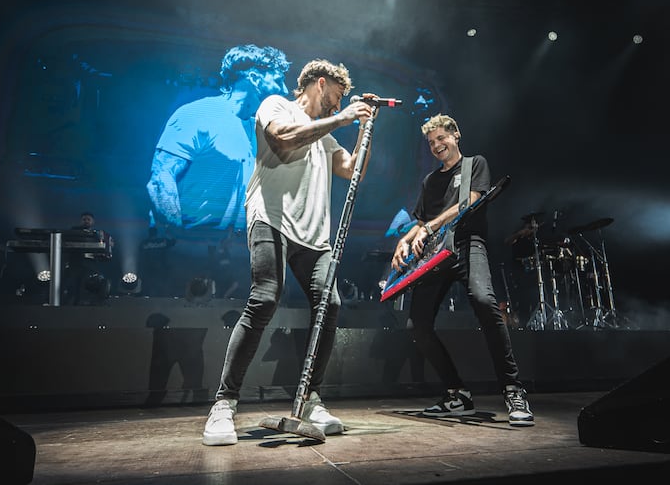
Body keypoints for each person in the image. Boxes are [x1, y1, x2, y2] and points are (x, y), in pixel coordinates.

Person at [202, 59, 376, 445]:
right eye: (337, 94)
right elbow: (282, 139)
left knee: (329, 304)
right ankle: (224, 404)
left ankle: (310, 399)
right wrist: (344, 118)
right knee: (264, 298)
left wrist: (366, 129)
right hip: (271, 219)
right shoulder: (276, 105)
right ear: (319, 83)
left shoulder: (328, 136)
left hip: (313, 234)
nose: (338, 102)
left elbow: (354, 171)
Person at [390, 114, 535, 427]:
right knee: (418, 324)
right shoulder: (430, 182)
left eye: (441, 138)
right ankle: (457, 394)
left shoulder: (475, 164)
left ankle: (513, 389)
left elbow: (470, 202)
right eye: (431, 143)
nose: (436, 146)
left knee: (485, 302)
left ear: (456, 135)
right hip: (435, 257)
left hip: (469, 245)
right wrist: (404, 242)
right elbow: (419, 223)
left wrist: (429, 226)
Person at [147, 44, 291, 233]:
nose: (286, 90)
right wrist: (177, 236)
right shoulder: (197, 114)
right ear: (255, 78)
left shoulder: (260, 129)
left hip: (233, 253)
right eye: (279, 81)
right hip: (187, 250)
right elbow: (160, 179)